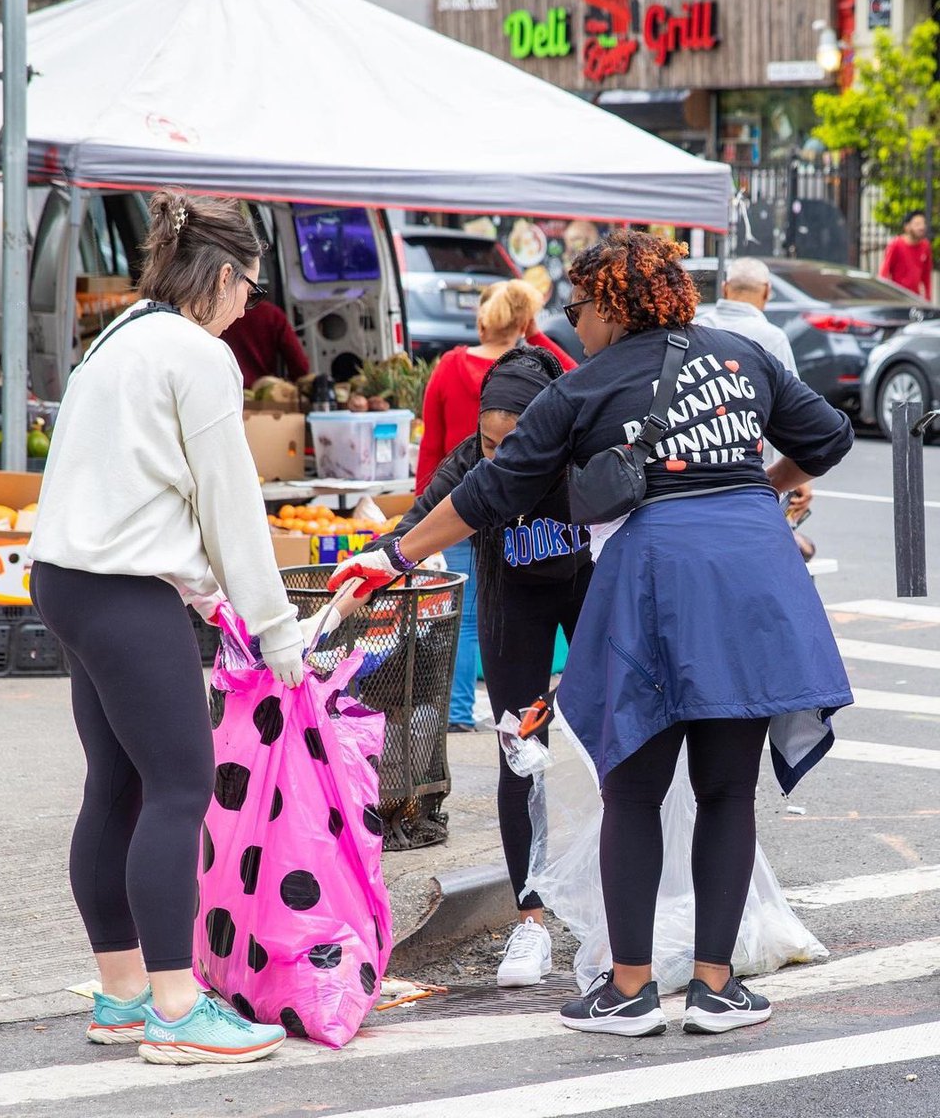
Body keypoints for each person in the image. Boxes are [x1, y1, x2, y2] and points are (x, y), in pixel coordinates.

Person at [330, 230, 854, 1038]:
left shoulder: (584, 388)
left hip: (657, 583)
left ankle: (630, 990)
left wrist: (393, 555)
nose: (575, 329)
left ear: (612, 303)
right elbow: (828, 439)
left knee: (634, 791)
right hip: (754, 578)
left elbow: (492, 490)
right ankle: (716, 990)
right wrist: (757, 489)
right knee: (725, 790)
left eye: (578, 309)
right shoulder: (740, 354)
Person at [27, 191, 322, 1066]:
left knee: (115, 788)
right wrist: (278, 634)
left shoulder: (117, 337)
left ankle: (121, 996)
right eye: (252, 288)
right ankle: (176, 1006)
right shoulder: (198, 356)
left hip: (66, 580)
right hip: (126, 590)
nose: (251, 307)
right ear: (224, 274)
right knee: (180, 789)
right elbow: (230, 504)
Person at [376, 346, 592, 986]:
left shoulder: (579, 458)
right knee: (518, 750)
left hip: (589, 596)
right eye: (488, 442)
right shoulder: (471, 464)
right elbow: (415, 526)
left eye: (513, 443)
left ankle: (628, 903)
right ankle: (530, 924)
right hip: (514, 609)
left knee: (623, 744)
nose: (498, 458)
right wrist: (368, 564)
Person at [416, 280, 576, 732]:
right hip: (517, 521)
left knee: (465, 619)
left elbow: (431, 443)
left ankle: (458, 712)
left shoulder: (450, 366)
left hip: (459, 510)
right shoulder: (547, 370)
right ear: (524, 319)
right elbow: (572, 381)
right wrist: (536, 334)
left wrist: (423, 515)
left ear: (482, 319)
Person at [696, 256, 813, 556]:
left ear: (724, 289)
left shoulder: (697, 327)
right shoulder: (772, 338)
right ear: (767, 292)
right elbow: (794, 417)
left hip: (694, 474)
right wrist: (798, 477)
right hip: (755, 477)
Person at [220, 295, 310, 386]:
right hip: (263, 393)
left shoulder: (217, 315)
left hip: (223, 390)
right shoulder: (272, 314)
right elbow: (301, 367)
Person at [879, 209, 933, 300]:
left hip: (914, 297)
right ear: (907, 227)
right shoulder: (895, 244)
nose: (922, 227)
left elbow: (926, 274)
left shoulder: (925, 245)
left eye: (923, 223)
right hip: (897, 296)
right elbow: (884, 272)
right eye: (917, 224)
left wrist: (927, 298)